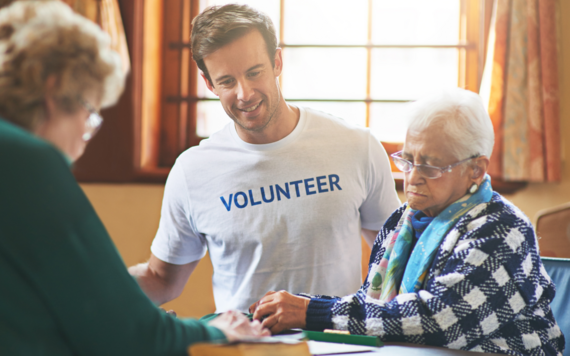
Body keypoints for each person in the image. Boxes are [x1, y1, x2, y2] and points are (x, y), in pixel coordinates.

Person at [0, 2, 267, 355]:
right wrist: (215, 329)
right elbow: (132, 334)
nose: (85, 137)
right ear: (53, 90)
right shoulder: (31, 164)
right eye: (91, 112)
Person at [250, 88, 565, 355]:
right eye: (408, 160)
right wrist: (296, 307)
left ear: (476, 170)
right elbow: (372, 306)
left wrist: (311, 312)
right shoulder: (402, 221)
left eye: (430, 166)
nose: (411, 178)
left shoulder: (502, 230)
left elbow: (440, 319)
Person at [129, 3, 400, 313]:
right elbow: (161, 279)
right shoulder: (192, 172)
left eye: (254, 72)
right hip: (244, 344)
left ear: (277, 62)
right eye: (227, 81)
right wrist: (89, 287)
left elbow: (394, 260)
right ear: (209, 84)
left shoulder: (356, 146)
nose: (244, 93)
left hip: (337, 343)